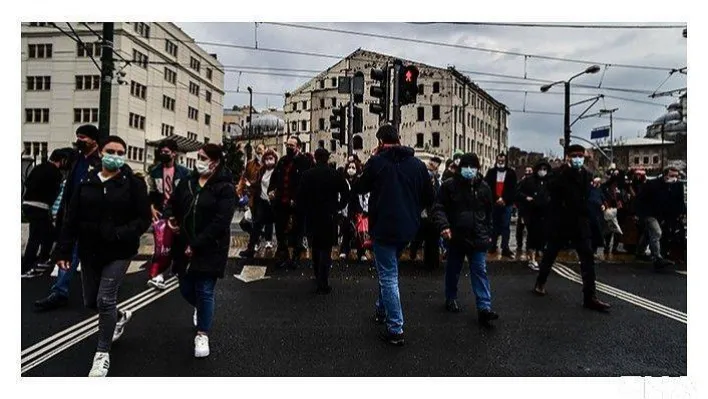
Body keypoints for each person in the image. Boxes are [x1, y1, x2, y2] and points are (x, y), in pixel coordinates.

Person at [54, 136, 151, 376]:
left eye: (120, 152)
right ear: (102, 153)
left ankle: (102, 353)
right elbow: (71, 217)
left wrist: (120, 233)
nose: (115, 156)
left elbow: (143, 219)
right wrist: (63, 249)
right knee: (92, 302)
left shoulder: (133, 184)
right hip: (90, 250)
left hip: (119, 250)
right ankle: (120, 316)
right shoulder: (87, 181)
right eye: (111, 151)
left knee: (105, 299)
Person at [353, 124, 435, 346]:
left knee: (388, 275)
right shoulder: (417, 165)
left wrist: (370, 162)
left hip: (383, 228)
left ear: (380, 142)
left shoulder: (377, 163)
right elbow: (430, 196)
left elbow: (359, 187)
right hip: (408, 228)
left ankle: (395, 328)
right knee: (387, 269)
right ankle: (382, 309)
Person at [165, 144, 236, 359]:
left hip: (210, 247)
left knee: (205, 289)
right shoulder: (187, 182)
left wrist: (196, 243)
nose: (199, 161)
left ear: (215, 162)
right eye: (199, 157)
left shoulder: (224, 187)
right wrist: (170, 216)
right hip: (182, 244)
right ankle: (203, 309)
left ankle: (202, 332)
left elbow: (221, 221)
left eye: (203, 157)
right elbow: (173, 203)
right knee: (186, 288)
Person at [532, 145, 610, 312]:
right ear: (568, 157)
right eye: (574, 156)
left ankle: (590, 296)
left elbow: (587, 196)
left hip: (580, 222)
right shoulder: (558, 173)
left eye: (580, 156)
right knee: (550, 253)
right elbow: (551, 189)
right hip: (561, 221)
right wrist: (565, 171)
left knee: (587, 258)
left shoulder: (586, 174)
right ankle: (541, 281)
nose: (577, 159)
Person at [35, 125, 103, 311]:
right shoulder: (76, 159)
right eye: (77, 136)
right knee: (67, 254)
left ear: (94, 140)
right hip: (72, 217)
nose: (79, 140)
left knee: (93, 259)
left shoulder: (101, 161)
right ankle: (60, 292)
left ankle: (103, 293)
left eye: (83, 137)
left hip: (92, 219)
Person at [432, 153, 499, 326]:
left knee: (479, 271)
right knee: (453, 269)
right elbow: (438, 208)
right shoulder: (449, 186)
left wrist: (489, 232)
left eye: (473, 167)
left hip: (478, 237)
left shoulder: (484, 187)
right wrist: (444, 226)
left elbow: (489, 213)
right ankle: (451, 297)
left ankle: (484, 307)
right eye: (466, 167)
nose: (470, 171)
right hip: (456, 236)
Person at [298, 148, 349, 294]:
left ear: (315, 158)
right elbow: (346, 192)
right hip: (329, 215)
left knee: (315, 246)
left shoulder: (307, 175)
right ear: (327, 159)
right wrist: (340, 206)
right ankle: (323, 280)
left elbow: (300, 195)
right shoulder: (335, 174)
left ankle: (316, 273)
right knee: (326, 249)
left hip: (312, 214)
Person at [145, 139, 191, 290]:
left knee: (179, 244)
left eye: (166, 152)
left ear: (174, 153)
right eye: (161, 152)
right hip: (161, 214)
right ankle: (157, 274)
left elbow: (186, 195)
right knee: (162, 245)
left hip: (178, 214)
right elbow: (151, 192)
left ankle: (178, 269)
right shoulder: (155, 172)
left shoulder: (184, 173)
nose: (163, 155)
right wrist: (152, 208)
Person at [21, 149, 69, 277]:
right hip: (41, 207)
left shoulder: (38, 168)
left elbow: (27, 182)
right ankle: (31, 266)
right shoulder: (56, 173)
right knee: (38, 237)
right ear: (62, 160)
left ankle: (40, 261)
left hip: (27, 204)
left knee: (43, 234)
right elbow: (56, 193)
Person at [267, 136, 313, 269]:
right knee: (280, 230)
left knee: (298, 230)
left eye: (292, 146)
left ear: (298, 147)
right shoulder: (282, 161)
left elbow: (304, 183)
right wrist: (272, 190)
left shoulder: (304, 162)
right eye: (287, 145)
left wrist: (297, 198)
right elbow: (274, 178)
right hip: (281, 201)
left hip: (297, 203)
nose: (289, 147)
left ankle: (296, 258)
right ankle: (283, 256)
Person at [634, 166, 686, 270]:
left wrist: (682, 212)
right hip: (649, 213)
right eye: (672, 175)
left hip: (663, 214)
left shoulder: (677, 186)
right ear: (665, 175)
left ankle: (640, 252)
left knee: (649, 233)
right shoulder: (653, 184)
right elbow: (641, 199)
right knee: (656, 232)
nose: (674, 178)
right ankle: (657, 258)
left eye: (676, 176)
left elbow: (679, 201)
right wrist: (638, 213)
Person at [239, 149, 278, 258]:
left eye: (271, 158)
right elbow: (257, 183)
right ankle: (251, 248)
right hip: (262, 201)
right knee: (256, 224)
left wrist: (276, 193)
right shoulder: (262, 170)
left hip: (273, 202)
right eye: (266, 159)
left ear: (275, 159)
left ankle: (281, 251)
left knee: (276, 226)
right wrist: (250, 185)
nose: (268, 161)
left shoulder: (278, 171)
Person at [516, 160, 551, 270]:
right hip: (532, 212)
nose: (542, 171)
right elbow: (518, 193)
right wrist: (526, 198)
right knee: (532, 236)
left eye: (545, 169)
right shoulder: (529, 181)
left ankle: (539, 255)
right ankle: (532, 257)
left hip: (545, 213)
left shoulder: (549, 182)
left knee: (543, 236)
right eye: (541, 169)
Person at [409, 157, 443, 269]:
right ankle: (415, 254)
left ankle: (431, 262)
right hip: (424, 213)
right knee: (420, 235)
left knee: (432, 239)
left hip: (432, 214)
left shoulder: (437, 181)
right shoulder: (422, 178)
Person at [484, 153, 517, 258]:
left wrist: (504, 199)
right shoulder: (491, 172)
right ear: (496, 160)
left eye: (503, 160)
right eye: (499, 160)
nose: (501, 162)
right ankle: (492, 245)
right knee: (493, 225)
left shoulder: (511, 173)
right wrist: (496, 199)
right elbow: (487, 187)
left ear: (506, 160)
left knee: (505, 226)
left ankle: (505, 247)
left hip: (506, 204)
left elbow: (513, 189)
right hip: (494, 203)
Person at [237, 144, 267, 255]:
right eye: (257, 150)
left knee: (257, 223)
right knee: (247, 223)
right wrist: (240, 191)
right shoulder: (250, 164)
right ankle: (256, 239)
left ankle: (253, 245)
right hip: (253, 197)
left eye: (261, 150)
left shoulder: (268, 164)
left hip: (264, 198)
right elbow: (244, 178)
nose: (259, 152)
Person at [339, 161, 369, 262]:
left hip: (358, 209)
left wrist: (365, 208)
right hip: (347, 209)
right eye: (349, 167)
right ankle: (344, 250)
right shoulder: (344, 181)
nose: (351, 170)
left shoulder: (360, 181)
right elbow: (340, 195)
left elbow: (365, 195)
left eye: (353, 167)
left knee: (359, 232)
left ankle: (361, 252)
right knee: (346, 230)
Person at [601, 173, 626, 255]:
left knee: (617, 231)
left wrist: (621, 202)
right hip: (609, 210)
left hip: (618, 211)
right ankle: (606, 247)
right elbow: (603, 198)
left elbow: (621, 198)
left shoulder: (619, 188)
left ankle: (614, 247)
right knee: (609, 230)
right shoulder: (605, 188)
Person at [514, 166, 534, 260]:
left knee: (530, 228)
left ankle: (528, 245)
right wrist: (524, 198)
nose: (528, 173)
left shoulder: (535, 182)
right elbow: (517, 194)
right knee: (520, 228)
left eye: (529, 171)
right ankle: (519, 245)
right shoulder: (521, 182)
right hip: (523, 209)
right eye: (527, 171)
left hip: (532, 209)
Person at [588, 177, 606, 256]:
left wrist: (603, 206)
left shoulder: (597, 190)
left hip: (596, 214)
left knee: (596, 233)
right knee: (595, 233)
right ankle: (595, 251)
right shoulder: (592, 190)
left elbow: (602, 200)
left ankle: (596, 251)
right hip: (593, 214)